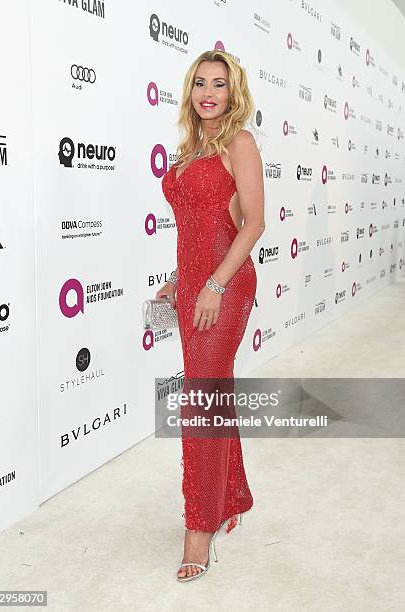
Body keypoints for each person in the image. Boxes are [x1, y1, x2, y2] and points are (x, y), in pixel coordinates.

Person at [159, 49, 265, 581]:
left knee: (201, 400)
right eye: (200, 82)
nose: (208, 92)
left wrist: (213, 284)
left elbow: (251, 224)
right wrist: (180, 280)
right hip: (193, 288)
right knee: (213, 390)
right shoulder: (190, 147)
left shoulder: (240, 143)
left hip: (224, 289)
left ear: (233, 92)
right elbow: (197, 227)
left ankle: (198, 528)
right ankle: (233, 497)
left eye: (219, 84)